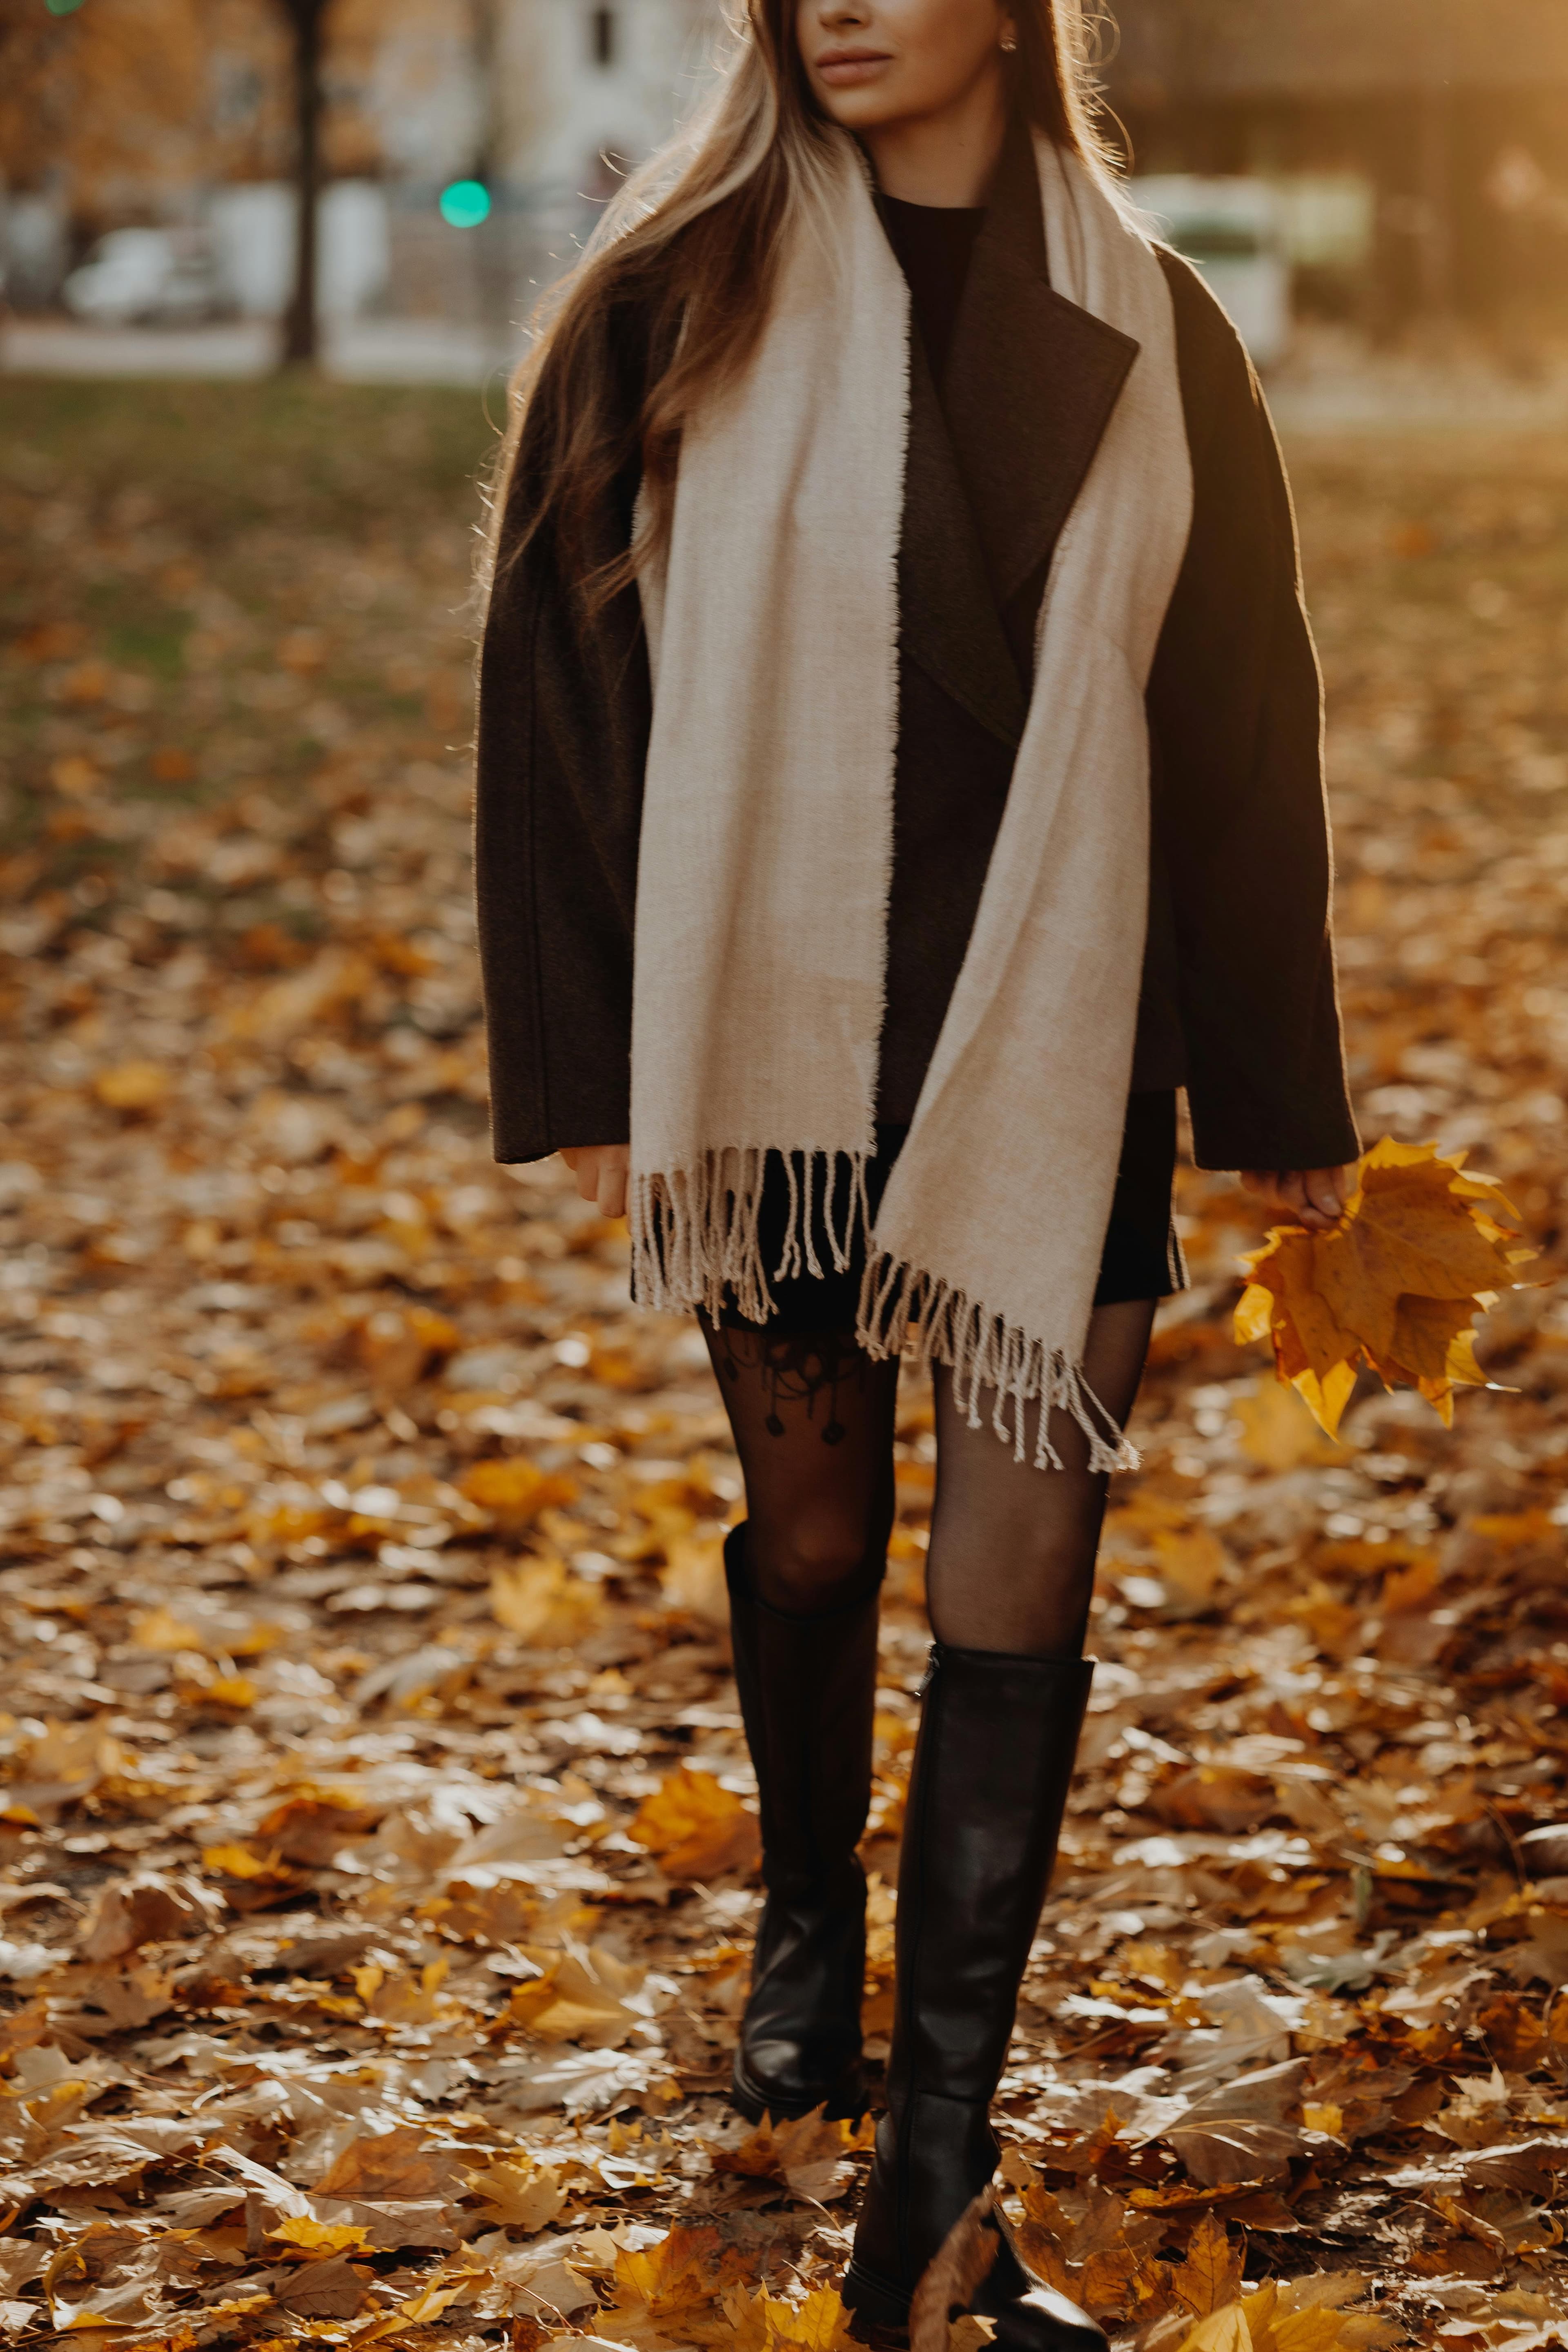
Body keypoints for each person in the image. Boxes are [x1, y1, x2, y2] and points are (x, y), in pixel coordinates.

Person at [474, 0, 1359, 2338]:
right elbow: (557, 684)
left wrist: (1279, 1106)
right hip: (790, 1020)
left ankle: (937, 2212)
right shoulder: (678, 292)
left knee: (1021, 1572)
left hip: (1057, 1008)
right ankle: (801, 1924)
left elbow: (1242, 720)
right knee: (818, 1526)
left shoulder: (1154, 324)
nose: (835, 7)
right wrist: (587, 1054)